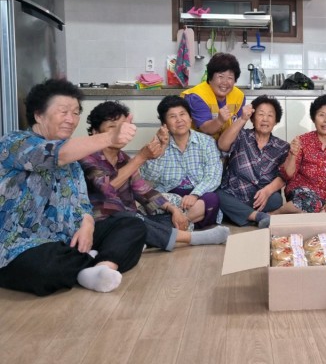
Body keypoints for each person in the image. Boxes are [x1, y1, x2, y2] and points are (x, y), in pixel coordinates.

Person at [0, 79, 146, 296]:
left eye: (76, 112)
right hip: (20, 244)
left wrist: (88, 224)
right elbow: (55, 154)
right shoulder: (14, 142)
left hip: (68, 239)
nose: (71, 119)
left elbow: (83, 204)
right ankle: (93, 264)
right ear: (39, 115)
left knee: (132, 224)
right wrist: (110, 137)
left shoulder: (73, 162)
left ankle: (101, 267)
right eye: (63, 112)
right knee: (43, 267)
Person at [80, 101, 230, 251]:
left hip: (131, 219)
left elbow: (144, 190)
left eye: (122, 127)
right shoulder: (87, 158)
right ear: (96, 132)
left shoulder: (123, 159)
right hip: (102, 223)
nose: (119, 132)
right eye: (112, 127)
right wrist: (141, 157)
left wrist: (173, 209)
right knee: (133, 220)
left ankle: (140, 240)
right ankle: (193, 239)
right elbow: (106, 188)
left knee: (166, 219)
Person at [140, 96, 223, 228]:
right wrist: (162, 148)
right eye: (172, 116)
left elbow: (213, 176)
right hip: (168, 196)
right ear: (164, 124)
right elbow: (149, 177)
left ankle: (164, 225)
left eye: (182, 114)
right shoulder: (157, 144)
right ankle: (182, 224)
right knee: (150, 202)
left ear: (190, 118)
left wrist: (195, 195)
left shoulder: (207, 142)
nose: (179, 120)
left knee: (212, 199)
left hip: (197, 195)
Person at [217, 95, 290, 228]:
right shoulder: (241, 135)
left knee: (276, 199)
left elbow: (284, 176)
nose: (265, 119)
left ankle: (240, 214)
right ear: (252, 118)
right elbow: (222, 145)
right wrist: (242, 119)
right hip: (233, 193)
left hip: (260, 198)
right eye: (260, 114)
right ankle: (258, 216)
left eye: (270, 115)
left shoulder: (282, 146)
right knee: (217, 195)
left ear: (276, 121)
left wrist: (267, 191)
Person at [274, 95, 326, 213]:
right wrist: (292, 154)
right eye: (321, 115)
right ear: (313, 118)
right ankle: (276, 214)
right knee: (309, 202)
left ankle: (318, 219)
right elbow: (288, 175)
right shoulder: (303, 141)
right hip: (304, 193)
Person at [181, 52, 245, 140]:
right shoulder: (196, 96)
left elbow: (237, 127)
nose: (225, 82)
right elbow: (206, 129)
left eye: (230, 78)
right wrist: (220, 120)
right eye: (220, 76)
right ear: (210, 78)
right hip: (198, 144)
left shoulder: (239, 96)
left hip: (226, 142)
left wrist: (244, 118)